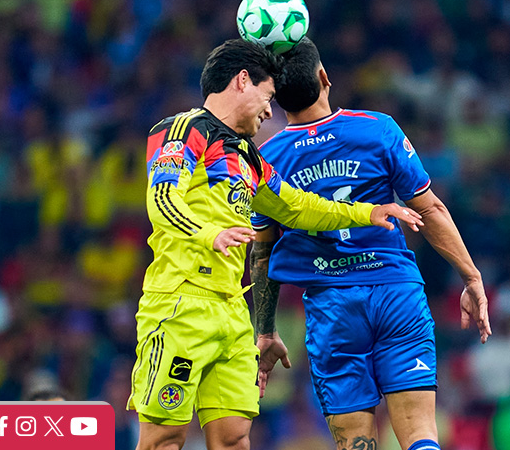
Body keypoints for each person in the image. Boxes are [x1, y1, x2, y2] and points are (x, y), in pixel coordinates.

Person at [129, 39, 423, 450]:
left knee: (234, 439)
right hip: (181, 306)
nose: (271, 111)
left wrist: (367, 212)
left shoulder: (248, 157)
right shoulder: (183, 129)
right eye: (268, 98)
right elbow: (163, 199)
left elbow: (297, 207)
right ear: (242, 81)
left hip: (233, 314)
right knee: (164, 437)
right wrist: (211, 234)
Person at [250, 37, 491, 450]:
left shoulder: (267, 158)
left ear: (274, 98)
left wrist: (266, 329)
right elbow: (431, 209)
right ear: (324, 77)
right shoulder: (377, 128)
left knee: (357, 443)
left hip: (333, 308)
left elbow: (263, 250)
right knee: (420, 433)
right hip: (395, 292)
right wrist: (471, 277)